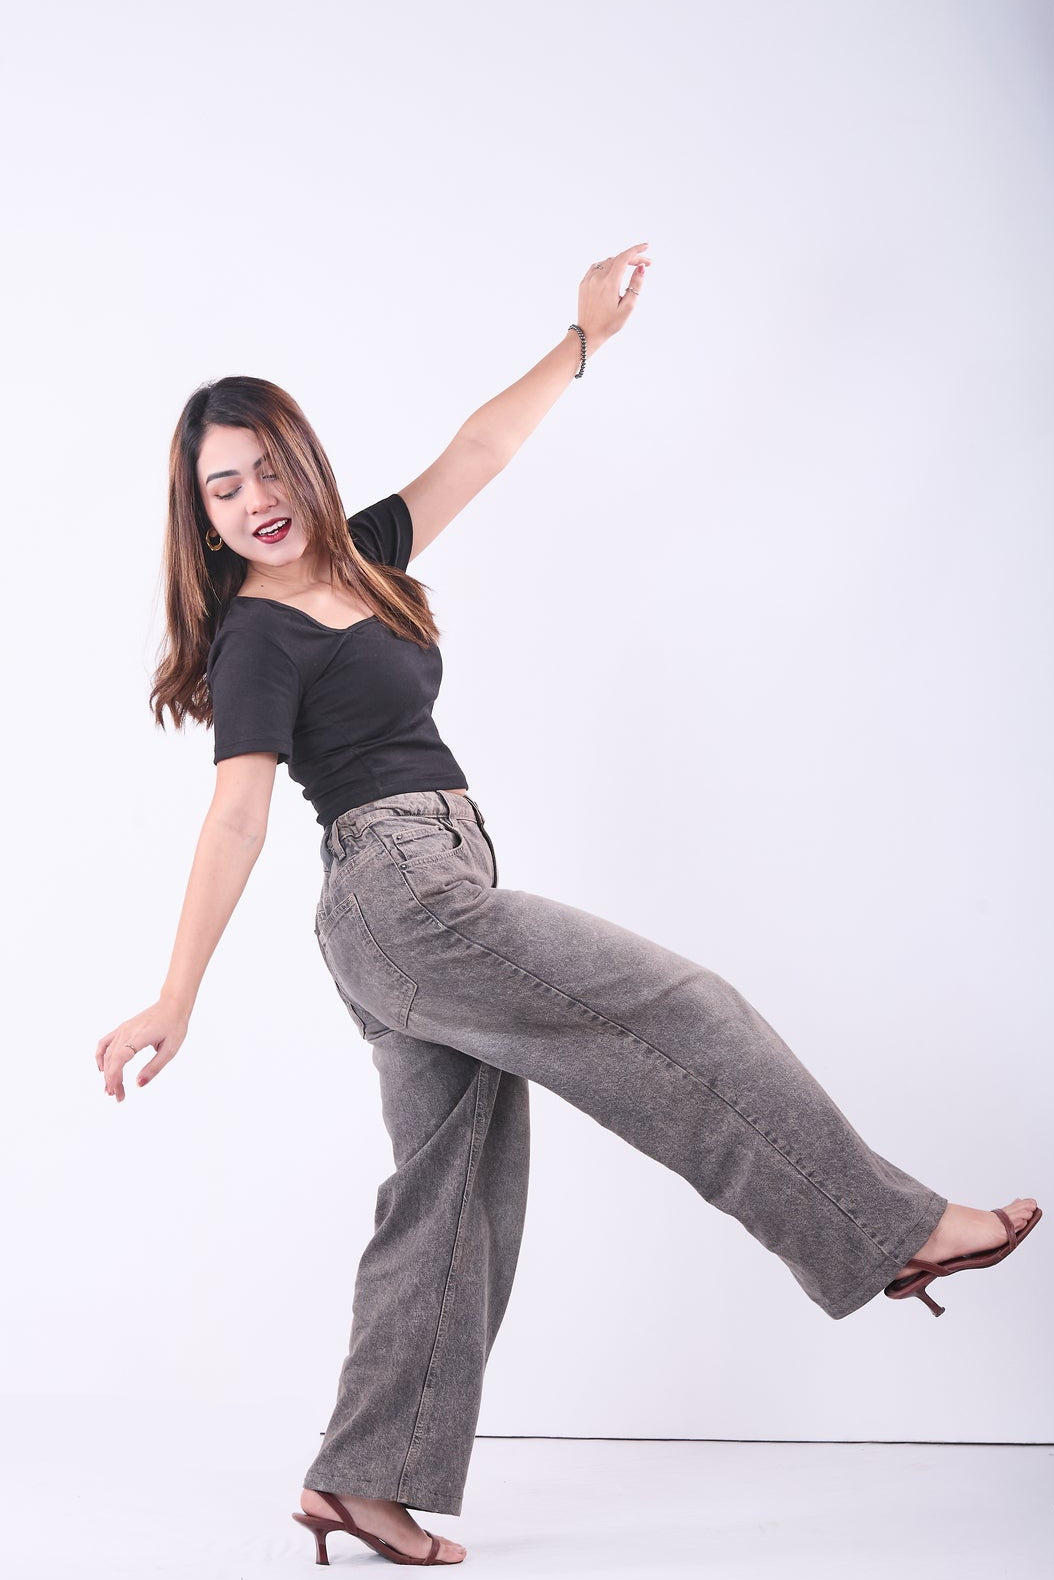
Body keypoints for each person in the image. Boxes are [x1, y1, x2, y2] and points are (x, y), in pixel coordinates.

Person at [95, 241, 1040, 1569]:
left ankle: (359, 1481)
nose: (251, 500)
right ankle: (893, 1231)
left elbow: (476, 451)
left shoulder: (359, 555)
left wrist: (581, 337)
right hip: (400, 899)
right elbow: (239, 814)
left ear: (300, 462)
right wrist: (176, 995)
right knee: (682, 1012)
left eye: (262, 467)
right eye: (220, 486)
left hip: (427, 891)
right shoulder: (256, 633)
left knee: (454, 1190)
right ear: (198, 515)